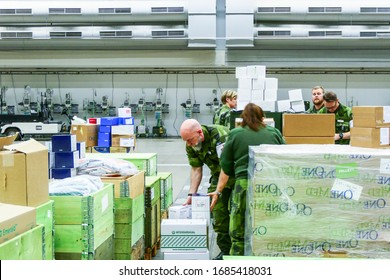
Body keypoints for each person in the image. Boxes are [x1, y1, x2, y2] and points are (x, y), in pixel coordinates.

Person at [209, 103, 286, 256]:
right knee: (267, 225)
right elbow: (284, 158)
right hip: (268, 185)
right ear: (262, 117)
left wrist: (219, 189)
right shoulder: (275, 133)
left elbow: (226, 165)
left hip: (243, 186)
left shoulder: (235, 134)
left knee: (238, 230)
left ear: (242, 118)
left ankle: (238, 262)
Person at [180, 119, 235, 260]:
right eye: (185, 141)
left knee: (239, 211)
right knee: (218, 212)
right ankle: (226, 251)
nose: (188, 144)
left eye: (190, 140)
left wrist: (218, 191)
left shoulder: (219, 136)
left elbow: (226, 166)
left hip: (236, 174)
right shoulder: (191, 144)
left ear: (199, 133)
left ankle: (240, 250)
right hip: (218, 176)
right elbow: (196, 169)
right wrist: (191, 193)